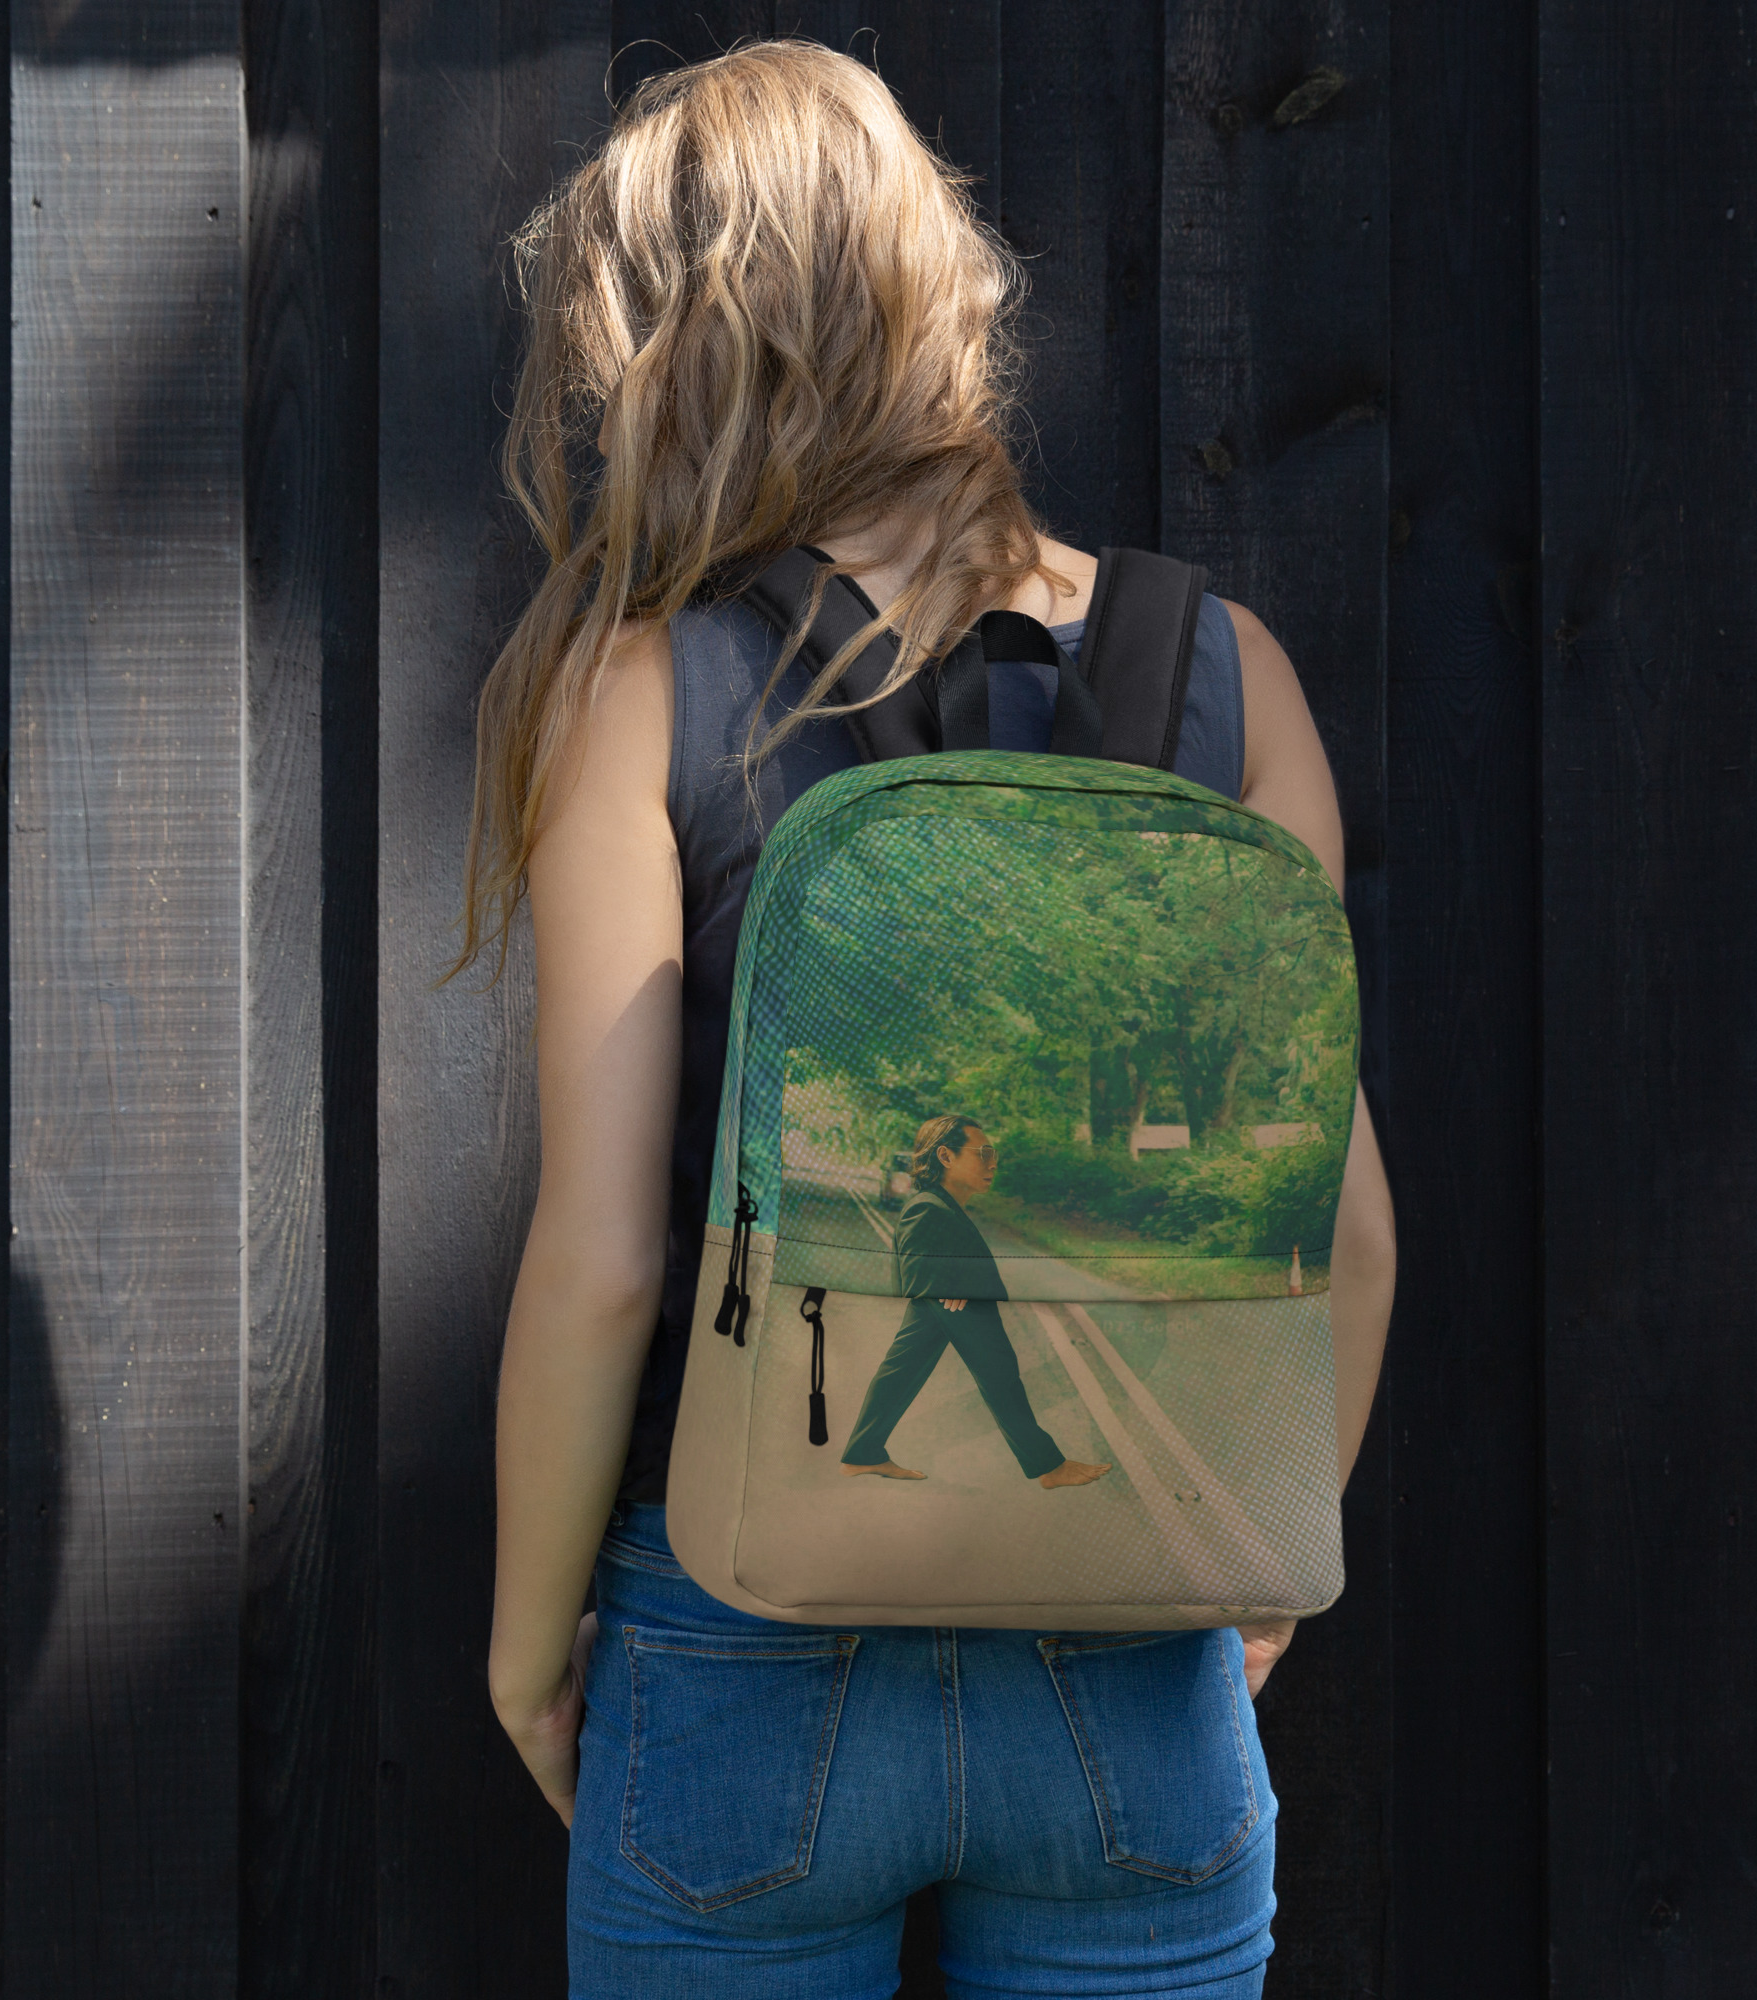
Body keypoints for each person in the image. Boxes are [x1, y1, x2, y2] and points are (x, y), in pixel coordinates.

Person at [459, 39, 1397, 1999]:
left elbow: (608, 1261)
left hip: (741, 1626)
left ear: (669, 352)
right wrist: (1252, 1586)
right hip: (1128, 1631)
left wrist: (529, 1655)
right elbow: (1350, 1235)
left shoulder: (644, 687)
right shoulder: (1227, 674)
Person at [840, 1113, 1112, 1486]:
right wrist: (945, 1287)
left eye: (993, 1153)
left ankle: (862, 1454)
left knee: (901, 1371)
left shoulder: (943, 1204)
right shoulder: (927, 1206)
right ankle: (1049, 1467)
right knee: (999, 1371)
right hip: (959, 1304)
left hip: (947, 1303)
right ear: (945, 1156)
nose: (992, 1162)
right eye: (982, 1153)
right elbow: (912, 1262)